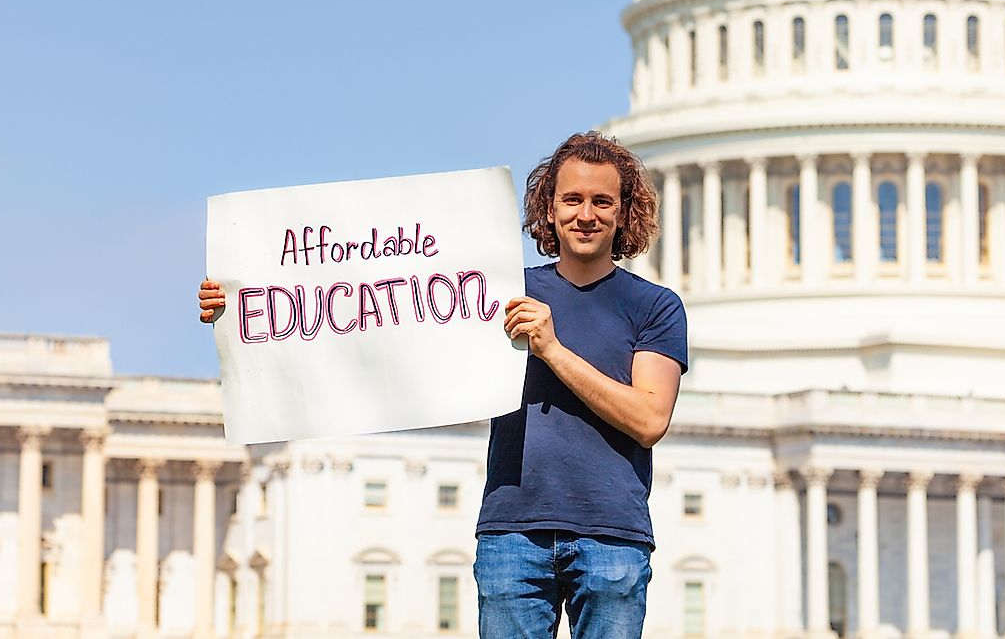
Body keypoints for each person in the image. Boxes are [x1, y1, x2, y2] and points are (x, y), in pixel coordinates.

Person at [197, 131, 687, 638]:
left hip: (612, 532)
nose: (586, 214)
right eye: (572, 199)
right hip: (511, 530)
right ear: (549, 207)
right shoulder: (496, 290)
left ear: (625, 211)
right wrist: (237, 308)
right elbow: (375, 330)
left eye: (602, 201)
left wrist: (553, 350)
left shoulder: (654, 306)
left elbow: (649, 420)